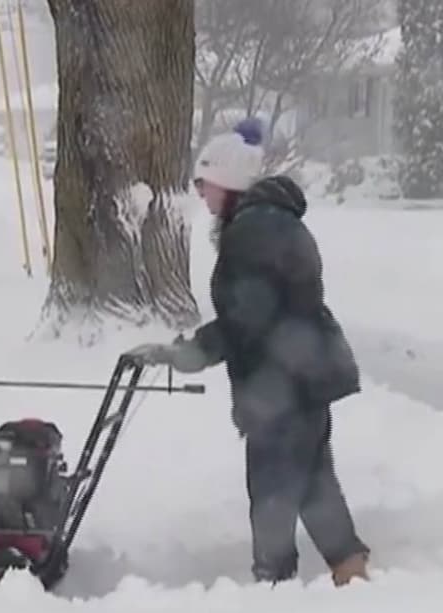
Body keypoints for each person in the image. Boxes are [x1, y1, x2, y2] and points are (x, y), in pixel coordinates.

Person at [127, 118, 370, 587]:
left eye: (206, 184)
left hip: (283, 381)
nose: (201, 194)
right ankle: (349, 568)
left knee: (273, 487)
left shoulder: (252, 231)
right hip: (302, 373)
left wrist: (187, 353)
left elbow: (247, 318)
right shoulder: (269, 222)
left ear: (230, 182)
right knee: (313, 478)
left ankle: (274, 582)